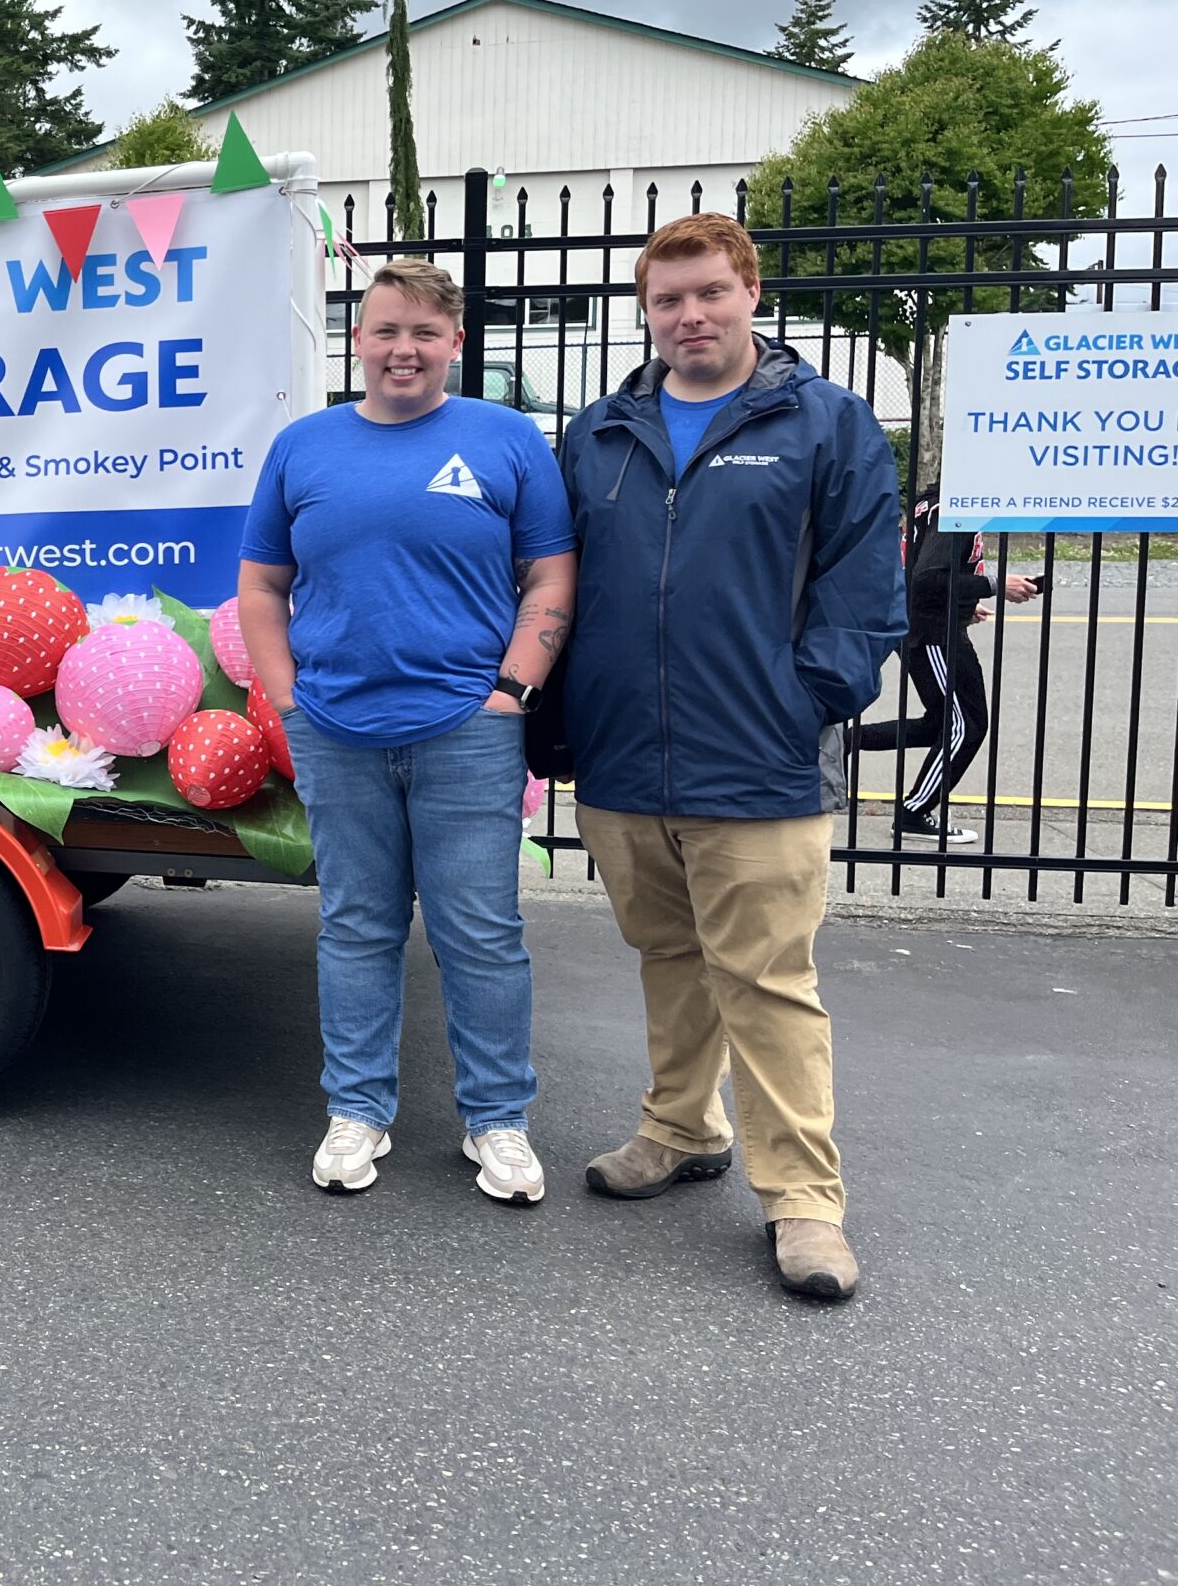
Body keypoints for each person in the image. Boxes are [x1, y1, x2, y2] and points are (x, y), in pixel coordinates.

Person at [556, 212, 904, 1301]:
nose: (689, 315)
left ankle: (803, 1203)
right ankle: (678, 1127)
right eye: (667, 300)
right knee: (668, 957)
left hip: (758, 761)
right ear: (645, 312)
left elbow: (862, 590)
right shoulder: (598, 433)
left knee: (767, 982)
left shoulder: (823, 423)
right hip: (624, 762)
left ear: (750, 291)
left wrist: (803, 701)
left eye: (709, 292)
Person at [239, 258, 578, 1206]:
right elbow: (262, 585)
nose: (404, 349)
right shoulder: (303, 447)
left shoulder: (505, 439)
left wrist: (511, 691)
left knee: (481, 934)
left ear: (455, 344)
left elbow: (550, 574)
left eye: (426, 333)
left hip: (469, 731)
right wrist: (289, 698)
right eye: (387, 330)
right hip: (337, 728)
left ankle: (499, 1123)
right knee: (356, 927)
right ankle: (356, 1112)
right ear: (359, 338)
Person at [851, 481, 1038, 845]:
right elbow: (926, 580)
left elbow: (923, 571)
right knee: (966, 726)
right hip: (932, 635)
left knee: (941, 724)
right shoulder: (953, 509)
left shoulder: (934, 504)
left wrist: (965, 605)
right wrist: (997, 585)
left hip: (928, 625)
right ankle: (914, 812)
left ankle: (841, 742)